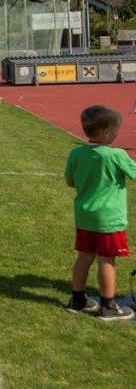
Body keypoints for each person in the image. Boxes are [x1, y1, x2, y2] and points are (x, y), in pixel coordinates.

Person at [64, 105, 135, 321]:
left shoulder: (76, 153)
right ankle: (108, 306)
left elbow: (70, 181)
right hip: (108, 219)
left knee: (84, 257)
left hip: (85, 217)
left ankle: (77, 300)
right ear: (106, 131)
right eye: (115, 130)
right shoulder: (116, 155)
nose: (116, 134)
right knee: (107, 260)